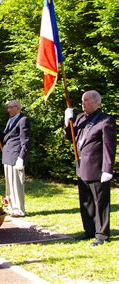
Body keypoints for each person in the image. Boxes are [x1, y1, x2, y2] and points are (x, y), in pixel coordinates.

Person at [64, 90, 116, 246]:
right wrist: (68, 122)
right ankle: (89, 230)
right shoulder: (80, 118)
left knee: (100, 202)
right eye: (82, 100)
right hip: (82, 165)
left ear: (96, 102)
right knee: (86, 201)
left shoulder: (105, 120)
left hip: (98, 167)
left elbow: (109, 146)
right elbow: (70, 137)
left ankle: (101, 234)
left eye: (86, 100)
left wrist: (108, 169)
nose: (83, 103)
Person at [0, 100, 31, 217]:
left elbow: (26, 141)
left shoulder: (23, 120)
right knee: (9, 185)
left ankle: (19, 209)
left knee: (16, 184)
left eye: (11, 107)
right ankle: (11, 207)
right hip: (7, 155)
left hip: (16, 156)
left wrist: (21, 158)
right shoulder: (10, 120)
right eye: (8, 108)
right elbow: (5, 138)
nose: (8, 110)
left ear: (18, 108)